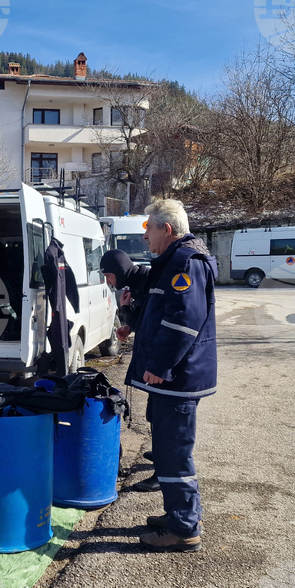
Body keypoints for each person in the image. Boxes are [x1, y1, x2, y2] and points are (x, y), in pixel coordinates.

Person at [124, 200, 217, 552]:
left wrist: (160, 366)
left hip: (176, 379)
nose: (145, 237)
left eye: (148, 229)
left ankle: (183, 528)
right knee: (168, 450)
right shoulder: (175, 259)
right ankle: (181, 515)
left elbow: (182, 323)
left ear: (166, 229)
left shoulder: (184, 262)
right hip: (174, 379)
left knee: (174, 452)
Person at [100, 249, 161, 492]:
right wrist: (126, 317)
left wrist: (128, 313)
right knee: (153, 412)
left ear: (119, 271)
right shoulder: (135, 285)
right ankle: (160, 455)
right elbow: (140, 324)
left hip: (159, 362)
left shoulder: (148, 281)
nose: (108, 282)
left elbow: (152, 324)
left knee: (163, 416)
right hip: (151, 359)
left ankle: (164, 471)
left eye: (108, 276)